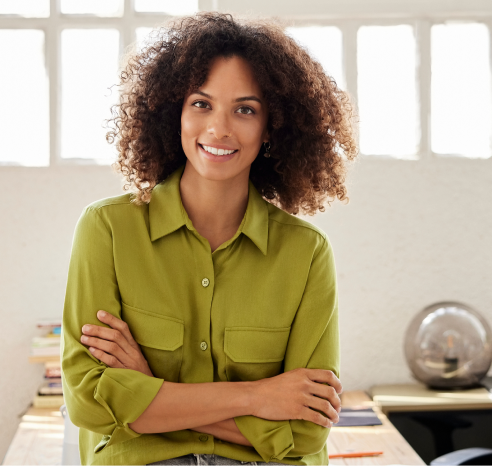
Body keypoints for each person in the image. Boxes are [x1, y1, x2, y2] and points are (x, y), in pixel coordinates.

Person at [61, 11, 358, 466]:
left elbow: (303, 434)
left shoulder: (306, 253)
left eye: (244, 109)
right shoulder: (108, 230)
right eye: (201, 104)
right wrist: (260, 396)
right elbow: (89, 401)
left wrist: (152, 394)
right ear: (172, 112)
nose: (219, 128)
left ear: (271, 126)